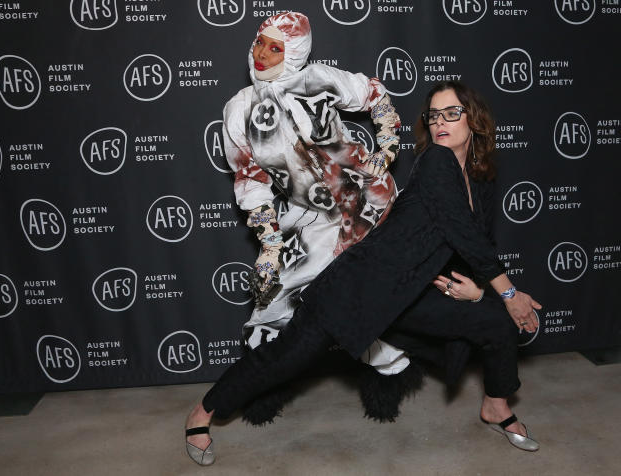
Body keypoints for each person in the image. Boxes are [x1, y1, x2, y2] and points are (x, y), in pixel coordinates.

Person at [185, 76, 542, 465]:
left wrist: (479, 290)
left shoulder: (478, 177)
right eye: (434, 115)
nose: (440, 122)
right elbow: (462, 231)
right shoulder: (436, 162)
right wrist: (508, 292)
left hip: (407, 296)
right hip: (354, 291)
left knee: (495, 323)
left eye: (451, 113)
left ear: (473, 119)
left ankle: (496, 405)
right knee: (284, 359)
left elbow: (476, 241)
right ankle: (202, 412)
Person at [218, 11, 416, 428]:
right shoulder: (238, 111)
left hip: (365, 202)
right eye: (259, 42)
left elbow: (375, 95)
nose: (262, 54)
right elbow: (250, 179)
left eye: (276, 47)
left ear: (294, 52)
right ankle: (264, 390)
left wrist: (387, 145)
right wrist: (271, 245)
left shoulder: (320, 78)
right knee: (273, 303)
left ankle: (389, 379)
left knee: (345, 300)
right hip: (309, 215)